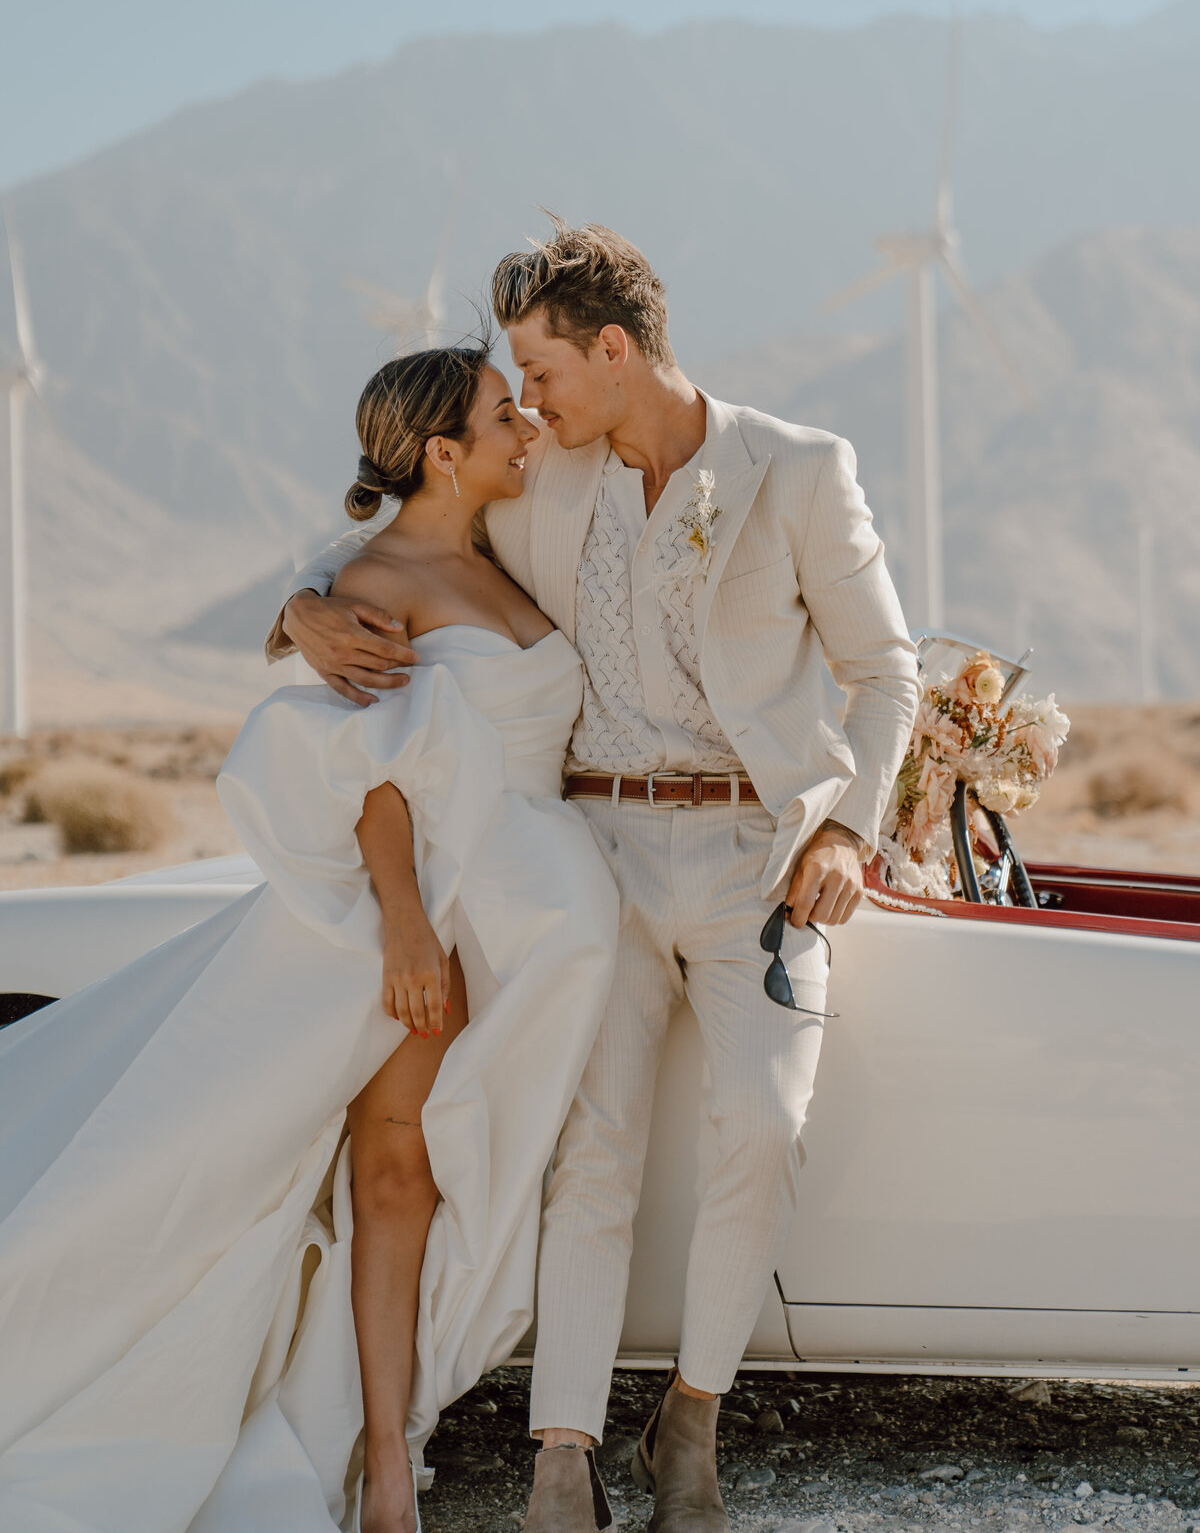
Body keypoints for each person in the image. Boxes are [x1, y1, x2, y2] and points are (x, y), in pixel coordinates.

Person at [275, 216, 920, 1533]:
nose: (528, 400)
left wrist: (848, 830)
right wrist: (301, 602)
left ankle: (690, 1423)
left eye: (543, 370)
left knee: (764, 1127)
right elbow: (410, 531)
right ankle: (561, 1458)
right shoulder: (546, 479)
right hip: (599, 857)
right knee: (597, 1152)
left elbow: (886, 670)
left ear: (614, 348)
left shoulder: (798, 471)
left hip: (762, 861)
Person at [0, 341, 618, 1533]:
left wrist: (299, 602)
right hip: (434, 909)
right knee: (398, 1178)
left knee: (419, 1180)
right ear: (445, 452)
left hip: (521, 911)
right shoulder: (378, 579)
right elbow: (370, 770)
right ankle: (389, 1466)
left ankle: (387, 1433)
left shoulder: (484, 555)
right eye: (504, 413)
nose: (527, 425)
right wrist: (401, 927)